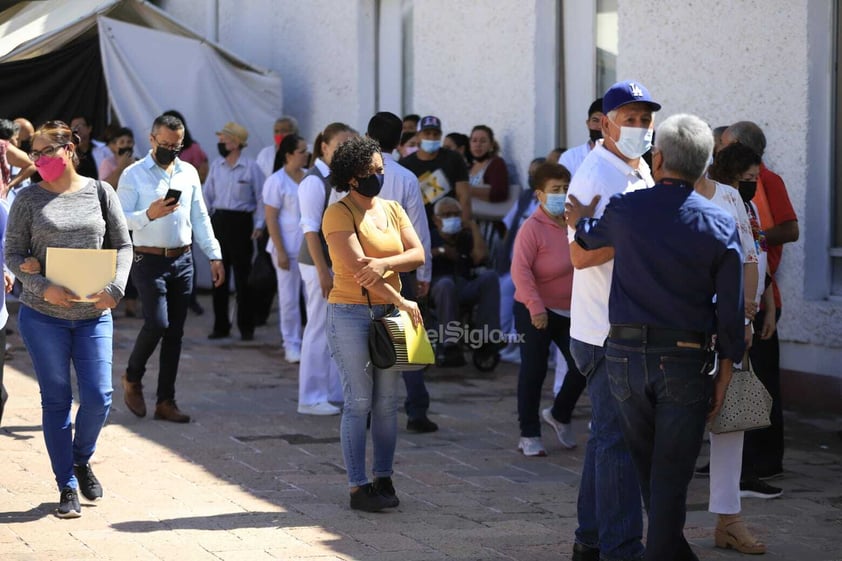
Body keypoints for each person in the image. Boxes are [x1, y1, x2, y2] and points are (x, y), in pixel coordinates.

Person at [569, 112, 745, 561]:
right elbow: (731, 311)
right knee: (669, 474)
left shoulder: (628, 208)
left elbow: (586, 240)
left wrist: (576, 217)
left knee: (647, 468)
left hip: (625, 356)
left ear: (659, 156)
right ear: (705, 165)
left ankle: (650, 548)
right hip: (684, 359)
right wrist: (726, 370)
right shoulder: (719, 222)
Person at [5, 120, 132, 517]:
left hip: (94, 314)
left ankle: (81, 457)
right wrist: (40, 284)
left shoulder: (100, 191)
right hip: (44, 317)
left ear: (70, 150)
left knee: (98, 397)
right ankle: (67, 484)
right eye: (34, 153)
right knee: (57, 401)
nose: (38, 159)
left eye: (46, 152)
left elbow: (124, 244)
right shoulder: (27, 199)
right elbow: (11, 253)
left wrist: (116, 289)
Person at [565, 80, 659, 561]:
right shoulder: (594, 174)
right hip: (602, 330)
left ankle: (590, 540)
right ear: (605, 123)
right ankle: (622, 549)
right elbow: (579, 258)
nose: (640, 128)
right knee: (618, 442)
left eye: (646, 119)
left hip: (627, 325)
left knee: (609, 438)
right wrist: (642, 241)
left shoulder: (641, 168)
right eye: (631, 119)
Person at [322, 135, 425, 512]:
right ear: (350, 177)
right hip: (350, 313)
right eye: (370, 172)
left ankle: (384, 476)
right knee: (359, 401)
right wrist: (401, 299)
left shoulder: (393, 208)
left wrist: (384, 263)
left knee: (387, 404)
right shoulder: (338, 212)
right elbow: (355, 270)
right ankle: (357, 486)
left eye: (380, 170)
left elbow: (417, 254)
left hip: (389, 315)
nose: (378, 177)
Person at [117, 114, 225, 424]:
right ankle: (132, 376)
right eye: (165, 144)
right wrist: (148, 214)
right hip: (148, 259)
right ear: (151, 139)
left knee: (175, 332)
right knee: (158, 323)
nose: (170, 150)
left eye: (176, 146)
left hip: (183, 259)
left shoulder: (188, 172)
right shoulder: (134, 175)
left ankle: (166, 400)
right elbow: (121, 219)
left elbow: (200, 217)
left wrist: (214, 256)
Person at [699, 141, 769, 554]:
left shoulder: (727, 196)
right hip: (678, 328)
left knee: (730, 419)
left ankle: (729, 519)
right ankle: (656, 522)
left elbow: (750, 256)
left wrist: (744, 318)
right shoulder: (656, 195)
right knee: (671, 425)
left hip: (729, 327)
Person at [720, 121, 798, 490]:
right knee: (730, 385)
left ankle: (763, 464)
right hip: (739, 301)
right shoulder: (725, 196)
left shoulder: (766, 183)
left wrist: (757, 239)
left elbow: (784, 232)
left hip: (759, 301)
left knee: (760, 385)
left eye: (723, 145)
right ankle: (733, 462)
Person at [366, 112, 437, 433]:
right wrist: (424, 273)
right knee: (408, 336)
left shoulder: (351, 174)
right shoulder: (406, 178)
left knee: (362, 336)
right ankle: (416, 409)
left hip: (361, 266)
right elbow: (419, 231)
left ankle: (364, 409)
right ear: (399, 142)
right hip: (399, 267)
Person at [511, 162, 585, 456]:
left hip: (573, 311)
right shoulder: (531, 228)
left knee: (582, 364)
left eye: (566, 189)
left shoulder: (576, 223)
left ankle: (560, 413)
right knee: (534, 370)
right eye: (555, 190)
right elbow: (520, 271)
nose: (562, 194)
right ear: (540, 195)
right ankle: (529, 434)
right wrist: (535, 307)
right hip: (535, 310)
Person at [297, 122, 355, 415]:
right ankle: (311, 397)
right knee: (318, 327)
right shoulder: (314, 180)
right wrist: (322, 270)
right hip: (317, 263)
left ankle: (331, 392)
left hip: (334, 264)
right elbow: (310, 229)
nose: (346, 151)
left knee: (334, 331)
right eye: (341, 145)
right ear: (324, 147)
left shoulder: (336, 177)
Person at [203, 122, 265, 341]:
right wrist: (205, 222)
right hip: (220, 220)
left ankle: (246, 327)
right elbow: (207, 195)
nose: (220, 143)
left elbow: (260, 198)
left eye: (225, 139)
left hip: (241, 223)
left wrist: (259, 225)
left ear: (236, 143)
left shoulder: (251, 167)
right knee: (218, 275)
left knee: (243, 278)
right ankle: (221, 326)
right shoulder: (216, 165)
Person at [429, 196, 500, 366]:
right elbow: (417, 258)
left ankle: (487, 337)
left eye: (456, 214)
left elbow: (480, 257)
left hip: (464, 284)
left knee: (490, 277)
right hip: (438, 287)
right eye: (447, 215)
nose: (452, 218)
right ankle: (450, 344)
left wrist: (473, 227)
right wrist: (441, 251)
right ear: (436, 220)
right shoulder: (429, 236)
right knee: (446, 285)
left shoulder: (466, 237)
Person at [263, 133, 308, 363]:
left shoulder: (310, 178)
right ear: (289, 154)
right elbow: (271, 218)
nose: (306, 154)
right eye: (302, 151)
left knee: (312, 297)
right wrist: (280, 250)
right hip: (287, 248)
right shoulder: (276, 181)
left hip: (309, 249)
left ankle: (312, 343)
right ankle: (291, 343)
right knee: (289, 299)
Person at [161, 110, 209, 317]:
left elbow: (204, 169)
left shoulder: (193, 148)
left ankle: (190, 297)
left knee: (186, 251)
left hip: (185, 208)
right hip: (164, 207)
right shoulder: (160, 149)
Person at [498, 157, 545, 364]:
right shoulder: (526, 197)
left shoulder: (552, 199)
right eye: (531, 172)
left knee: (520, 296)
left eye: (538, 172)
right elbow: (510, 226)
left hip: (536, 266)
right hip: (515, 263)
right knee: (504, 290)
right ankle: (507, 341)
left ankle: (519, 344)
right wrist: (502, 256)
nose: (532, 177)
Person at [400, 115, 472, 223]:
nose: (432, 138)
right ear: (418, 135)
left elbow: (464, 196)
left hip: (449, 222)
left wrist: (464, 224)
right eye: (427, 133)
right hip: (418, 224)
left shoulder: (454, 159)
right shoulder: (405, 164)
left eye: (436, 134)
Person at [559, 98, 604, 176]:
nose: (600, 126)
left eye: (605, 122)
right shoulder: (570, 157)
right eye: (595, 120)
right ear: (588, 123)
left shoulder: (624, 157)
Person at [468, 125, 509, 203]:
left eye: (483, 141)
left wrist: (467, 190)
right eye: (474, 141)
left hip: (485, 214)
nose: (478, 145)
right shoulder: (469, 166)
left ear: (491, 145)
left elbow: (500, 193)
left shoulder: (496, 163)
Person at [0, 118, 36, 197]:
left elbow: (32, 165)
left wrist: (10, 185)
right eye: (17, 139)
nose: (18, 144)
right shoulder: (3, 147)